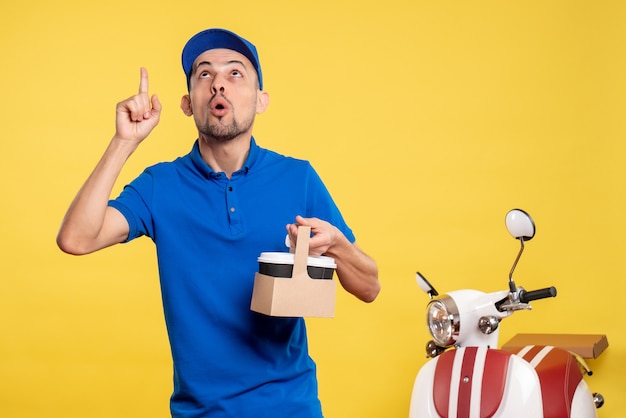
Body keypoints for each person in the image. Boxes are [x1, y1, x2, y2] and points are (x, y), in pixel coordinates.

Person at [57, 28, 380, 417]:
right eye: (204, 75)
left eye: (235, 74)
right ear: (188, 103)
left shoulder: (298, 178)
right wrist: (125, 141)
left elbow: (369, 287)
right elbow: (76, 238)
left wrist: (337, 246)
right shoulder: (161, 185)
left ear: (261, 101)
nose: (218, 85)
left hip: (291, 407)